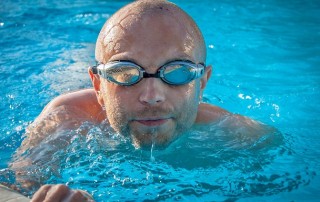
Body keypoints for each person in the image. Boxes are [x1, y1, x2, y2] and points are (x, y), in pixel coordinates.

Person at [9, 0, 274, 201]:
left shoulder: (243, 137)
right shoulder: (67, 117)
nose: (151, 97)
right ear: (99, 85)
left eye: (177, 72)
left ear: (202, 82)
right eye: (124, 73)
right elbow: (13, 185)